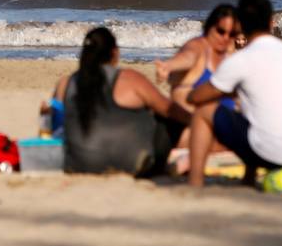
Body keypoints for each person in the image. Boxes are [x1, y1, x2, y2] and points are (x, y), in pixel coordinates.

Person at [187, 0, 282, 188]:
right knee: (255, 113)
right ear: (271, 22)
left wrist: (194, 91)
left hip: (268, 152)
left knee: (204, 111)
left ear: (240, 25)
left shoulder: (242, 59)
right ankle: (248, 179)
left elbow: (196, 97)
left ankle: (195, 183)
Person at [60, 27, 190, 176]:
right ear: (115, 53)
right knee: (166, 120)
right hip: (128, 164)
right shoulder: (129, 79)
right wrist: (196, 119)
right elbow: (170, 110)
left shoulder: (66, 83)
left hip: (78, 164)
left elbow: (55, 123)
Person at [169, 5, 240, 110]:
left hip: (223, 119)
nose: (225, 37)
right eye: (220, 31)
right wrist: (170, 65)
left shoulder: (230, 55)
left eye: (232, 34)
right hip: (191, 119)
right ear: (209, 27)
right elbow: (188, 57)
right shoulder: (198, 45)